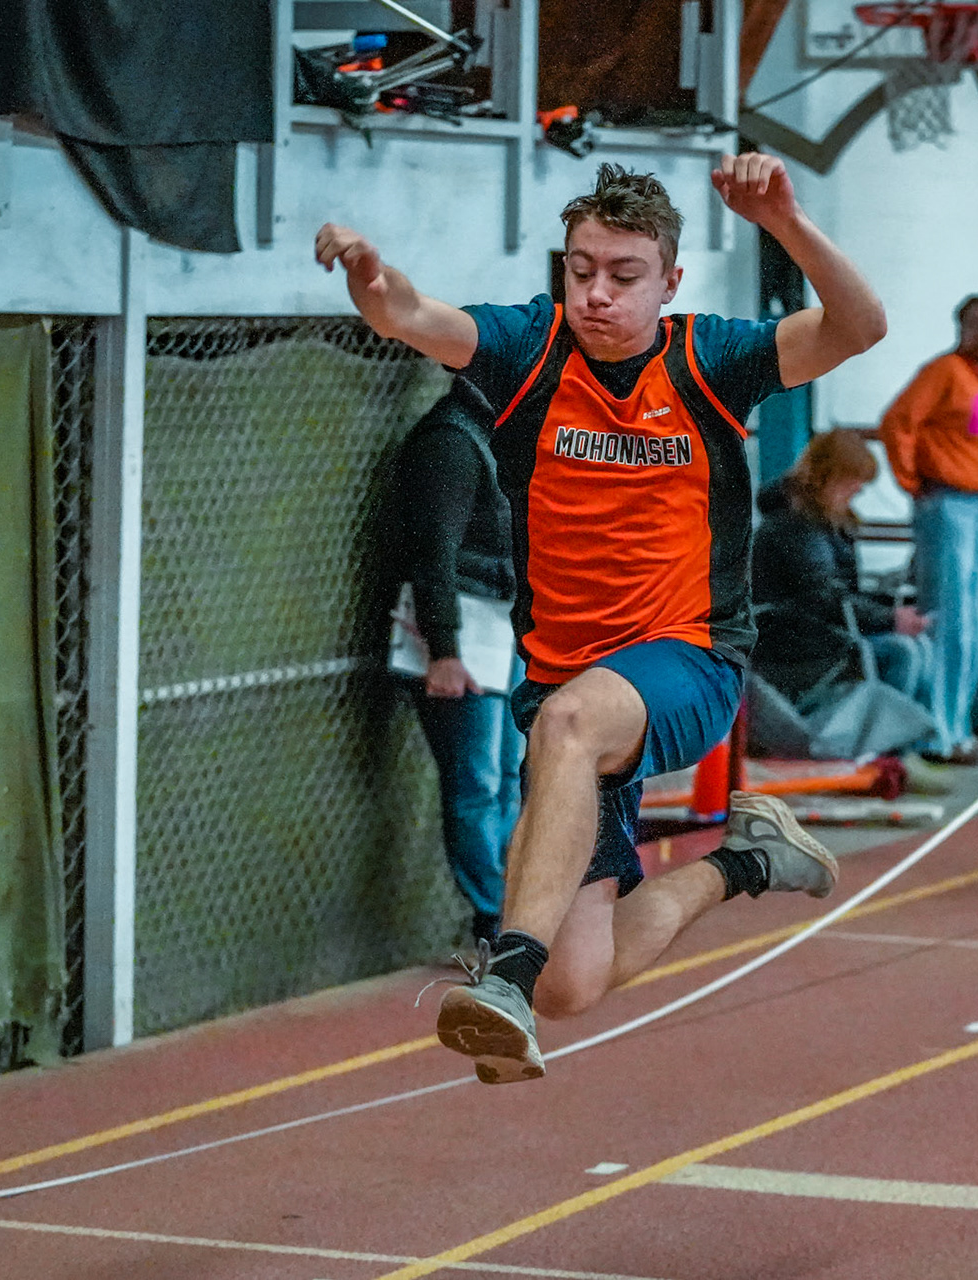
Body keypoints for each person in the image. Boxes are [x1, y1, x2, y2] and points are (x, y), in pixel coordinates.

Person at [315, 155, 886, 1083]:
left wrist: (785, 221)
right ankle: (745, 864)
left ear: (670, 283)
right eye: (581, 270)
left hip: (688, 658)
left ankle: (504, 977)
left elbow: (861, 326)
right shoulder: (529, 350)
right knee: (575, 984)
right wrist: (374, 285)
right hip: (565, 687)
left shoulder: (711, 360)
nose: (597, 294)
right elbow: (412, 315)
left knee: (573, 725)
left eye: (624, 276)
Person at [387, 377, 525, 947]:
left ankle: (513, 912)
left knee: (509, 776)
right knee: (477, 781)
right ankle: (496, 918)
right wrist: (445, 651)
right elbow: (433, 554)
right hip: (467, 632)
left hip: (503, 625)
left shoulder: (498, 433)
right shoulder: (450, 441)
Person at [878, 295, 978, 764]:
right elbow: (897, 422)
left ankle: (959, 727)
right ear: (959, 328)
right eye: (975, 324)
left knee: (972, 623)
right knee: (949, 620)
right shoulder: (943, 372)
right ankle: (935, 731)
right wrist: (912, 482)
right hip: (947, 504)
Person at [752, 430, 933, 711]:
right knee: (902, 652)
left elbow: (834, 592)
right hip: (801, 641)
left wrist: (889, 615)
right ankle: (885, 731)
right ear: (832, 478)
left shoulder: (819, 522)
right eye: (853, 483)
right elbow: (823, 596)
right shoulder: (796, 526)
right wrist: (889, 618)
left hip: (816, 633)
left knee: (914, 647)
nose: (857, 491)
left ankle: (898, 730)